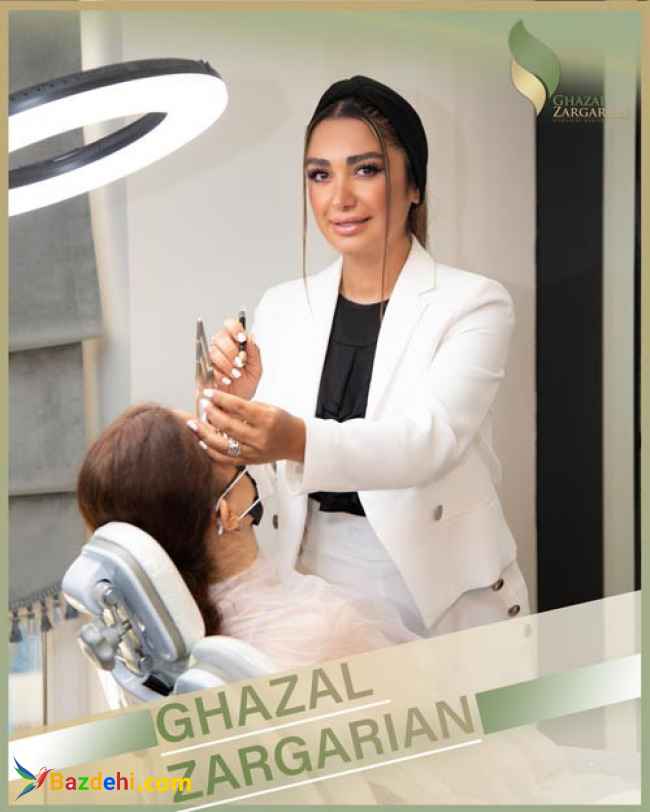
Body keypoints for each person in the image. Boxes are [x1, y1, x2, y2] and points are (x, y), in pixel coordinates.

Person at [191, 75, 530, 638]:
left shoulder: (474, 303)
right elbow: (265, 486)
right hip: (311, 583)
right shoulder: (282, 306)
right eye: (320, 174)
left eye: (365, 170)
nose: (339, 198)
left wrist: (295, 438)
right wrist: (230, 410)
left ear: (414, 185)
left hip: (435, 593)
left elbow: (428, 441)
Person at [76, 403, 417, 672]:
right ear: (226, 514)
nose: (237, 452)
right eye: (226, 454)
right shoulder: (324, 632)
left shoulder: (154, 646)